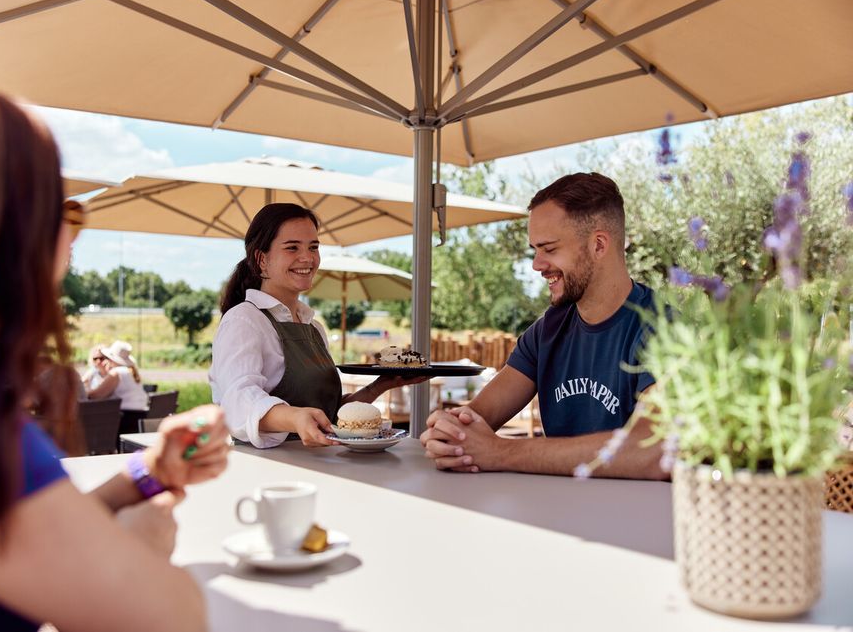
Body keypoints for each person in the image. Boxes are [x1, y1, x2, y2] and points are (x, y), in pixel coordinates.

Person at [0, 76, 230, 632]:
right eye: (56, 204)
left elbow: (24, 536)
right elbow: (172, 620)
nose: (71, 232)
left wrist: (145, 474)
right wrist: (142, 543)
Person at [420, 173, 667, 480]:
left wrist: (499, 452)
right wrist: (449, 431)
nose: (536, 265)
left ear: (599, 246)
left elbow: (653, 448)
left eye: (549, 249)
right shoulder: (547, 330)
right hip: (552, 514)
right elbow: (477, 418)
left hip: (632, 523)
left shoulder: (662, 330)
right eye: (534, 250)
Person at [210, 202, 425, 448]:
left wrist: (381, 385)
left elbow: (328, 416)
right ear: (261, 259)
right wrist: (294, 418)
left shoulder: (314, 328)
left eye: (313, 247)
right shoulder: (244, 320)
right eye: (292, 248)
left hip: (324, 462)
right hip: (271, 468)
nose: (307, 257)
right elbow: (237, 402)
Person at [86, 340, 150, 412]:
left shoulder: (117, 372)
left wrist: (82, 392)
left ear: (110, 359)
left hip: (126, 416)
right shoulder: (129, 371)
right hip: (137, 414)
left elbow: (95, 395)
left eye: (105, 358)